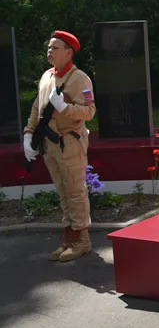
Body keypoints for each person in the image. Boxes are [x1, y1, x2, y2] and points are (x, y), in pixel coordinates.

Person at [23, 31, 97, 262]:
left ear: (68, 52)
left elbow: (89, 112)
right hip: (50, 143)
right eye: (49, 47)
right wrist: (28, 134)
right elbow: (38, 108)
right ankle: (70, 237)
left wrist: (65, 108)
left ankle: (82, 240)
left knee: (75, 192)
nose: (49, 50)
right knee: (64, 193)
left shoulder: (79, 78)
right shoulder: (47, 76)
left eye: (55, 48)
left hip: (70, 142)